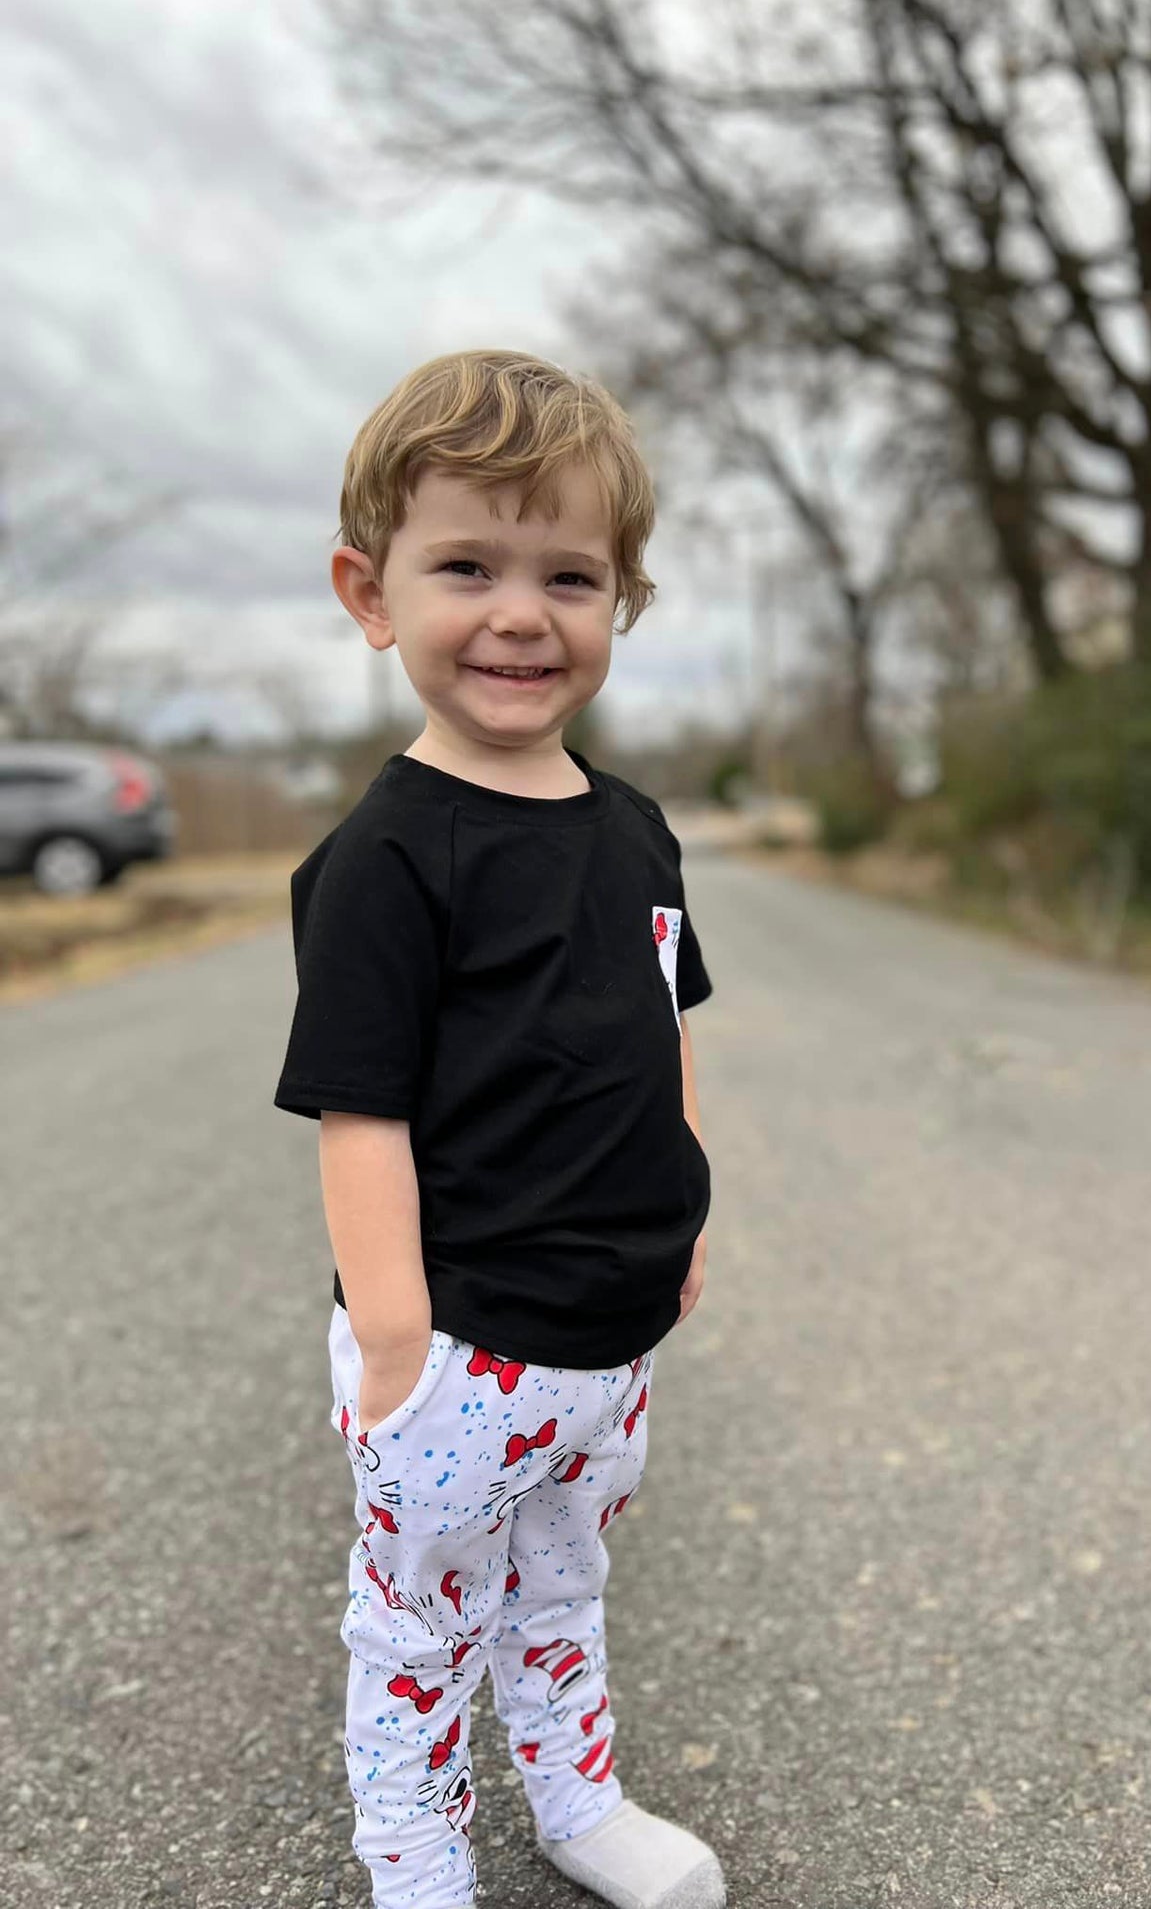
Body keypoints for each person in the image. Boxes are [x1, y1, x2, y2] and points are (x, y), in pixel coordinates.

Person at [272, 350, 724, 1909]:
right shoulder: (386, 860)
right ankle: (415, 1865)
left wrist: (688, 1223)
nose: (523, 613)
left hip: (609, 1333)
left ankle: (575, 1799)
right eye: (467, 564)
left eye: (571, 574)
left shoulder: (635, 830)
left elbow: (657, 1030)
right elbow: (360, 1114)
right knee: (419, 1624)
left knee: (563, 1583)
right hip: (458, 1341)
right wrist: (395, 1347)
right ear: (370, 590)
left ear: (623, 602)